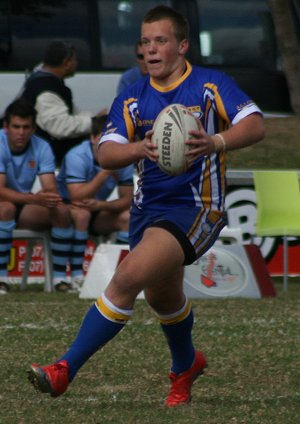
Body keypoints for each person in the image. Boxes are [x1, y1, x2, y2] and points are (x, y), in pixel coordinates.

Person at [28, 6, 265, 406]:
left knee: (127, 277)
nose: (151, 50)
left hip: (195, 207)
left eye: (161, 41)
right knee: (162, 298)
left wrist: (216, 141)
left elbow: (255, 124)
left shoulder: (209, 85)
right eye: (145, 42)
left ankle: (64, 369)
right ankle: (186, 365)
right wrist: (141, 147)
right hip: (146, 210)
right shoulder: (133, 97)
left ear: (182, 45)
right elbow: (106, 153)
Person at [0, 98, 75, 294]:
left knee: (59, 207)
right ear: (6, 126)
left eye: (26, 127)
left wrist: (45, 197)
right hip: (7, 204)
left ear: (34, 128)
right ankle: (1, 278)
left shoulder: (41, 146)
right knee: (5, 207)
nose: (21, 133)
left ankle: (60, 279)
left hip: (22, 205)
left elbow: (50, 189)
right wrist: (33, 198)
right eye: (16, 127)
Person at [56, 115, 134, 290]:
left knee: (128, 217)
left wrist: (101, 206)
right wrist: (106, 171)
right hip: (67, 206)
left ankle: (117, 277)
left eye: (114, 139)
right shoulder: (77, 155)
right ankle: (73, 276)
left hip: (96, 208)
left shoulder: (124, 157)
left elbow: (128, 200)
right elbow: (77, 197)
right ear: (92, 138)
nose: (109, 145)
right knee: (81, 214)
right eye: (103, 138)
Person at [20, 40, 107, 166]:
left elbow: (72, 114)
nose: (77, 64)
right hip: (47, 160)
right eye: (75, 60)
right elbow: (60, 127)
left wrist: (97, 119)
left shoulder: (49, 83)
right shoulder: (45, 90)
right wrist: (93, 122)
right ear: (66, 63)